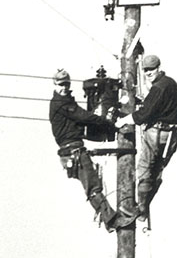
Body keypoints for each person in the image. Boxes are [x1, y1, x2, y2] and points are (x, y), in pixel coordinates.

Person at [49, 68, 137, 232]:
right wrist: (106, 122)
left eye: (67, 84)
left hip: (72, 149)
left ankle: (111, 219)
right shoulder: (62, 103)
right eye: (61, 84)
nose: (65, 87)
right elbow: (83, 117)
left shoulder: (65, 101)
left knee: (92, 185)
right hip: (72, 150)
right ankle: (111, 220)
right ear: (55, 84)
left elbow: (81, 120)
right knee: (93, 187)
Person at [114, 54, 177, 221]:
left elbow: (144, 114)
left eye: (151, 69)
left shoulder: (159, 88)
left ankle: (139, 209)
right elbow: (156, 105)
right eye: (145, 70)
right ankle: (144, 207)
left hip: (157, 133)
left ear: (158, 68)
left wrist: (123, 120)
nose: (148, 73)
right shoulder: (169, 83)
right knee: (157, 172)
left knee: (145, 170)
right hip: (171, 135)